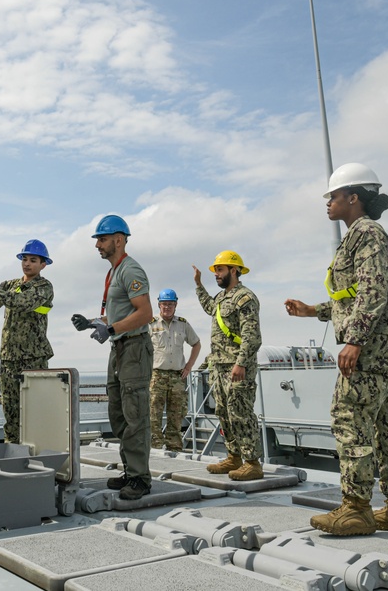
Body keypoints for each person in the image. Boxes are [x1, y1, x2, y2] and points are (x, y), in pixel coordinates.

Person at [284, 162, 388, 537]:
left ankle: (357, 508)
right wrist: (314, 311)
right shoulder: (359, 236)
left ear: (353, 198)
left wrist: (355, 341)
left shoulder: (367, 234)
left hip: (375, 340)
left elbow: (373, 292)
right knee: (384, 418)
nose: (327, 202)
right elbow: (355, 295)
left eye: (333, 196)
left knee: (349, 413)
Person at [72, 214, 154, 500]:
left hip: (133, 348)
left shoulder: (131, 270)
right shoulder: (113, 272)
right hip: (119, 348)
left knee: (135, 414)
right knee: (118, 413)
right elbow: (118, 314)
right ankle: (131, 472)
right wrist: (94, 322)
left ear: (119, 240)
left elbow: (145, 313)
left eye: (102, 239)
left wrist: (112, 328)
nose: (98, 245)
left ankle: (141, 479)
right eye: (97, 240)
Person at [0, 239, 54, 444]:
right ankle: (13, 452)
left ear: (43, 264)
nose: (27, 263)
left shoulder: (44, 287)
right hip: (8, 358)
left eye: (33, 260)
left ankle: (37, 454)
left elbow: (24, 302)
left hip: (34, 358)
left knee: (34, 410)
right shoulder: (9, 286)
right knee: (11, 411)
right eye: (24, 259)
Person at [193, 250, 263, 481]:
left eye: (220, 270)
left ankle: (252, 462)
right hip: (220, 367)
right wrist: (198, 285)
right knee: (224, 413)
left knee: (241, 413)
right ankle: (234, 457)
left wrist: (241, 364)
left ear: (234, 270)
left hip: (236, 367)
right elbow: (209, 307)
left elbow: (252, 335)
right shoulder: (222, 299)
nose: (217, 274)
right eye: (216, 270)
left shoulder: (245, 297)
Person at [148, 289, 201, 452]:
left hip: (177, 376)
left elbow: (196, 344)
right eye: (164, 304)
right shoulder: (150, 324)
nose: (167, 307)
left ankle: (175, 447)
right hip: (156, 375)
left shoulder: (183, 324)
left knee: (176, 414)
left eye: (171, 304)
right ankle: (155, 447)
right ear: (159, 305)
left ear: (176, 305)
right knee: (153, 414)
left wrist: (189, 367)